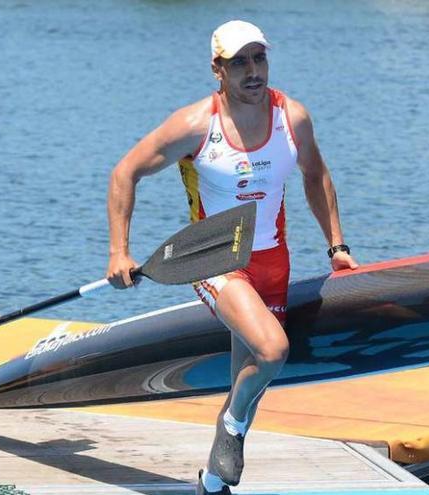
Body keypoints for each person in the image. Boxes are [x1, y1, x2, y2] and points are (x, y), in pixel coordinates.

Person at [105, 20, 358, 494]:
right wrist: (120, 251)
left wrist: (337, 247)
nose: (253, 71)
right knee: (272, 350)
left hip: (273, 260)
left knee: (253, 374)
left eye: (259, 58)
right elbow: (125, 173)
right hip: (215, 257)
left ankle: (213, 482)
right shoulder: (195, 125)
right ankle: (231, 429)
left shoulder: (292, 118)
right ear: (217, 69)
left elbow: (316, 176)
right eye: (239, 62)